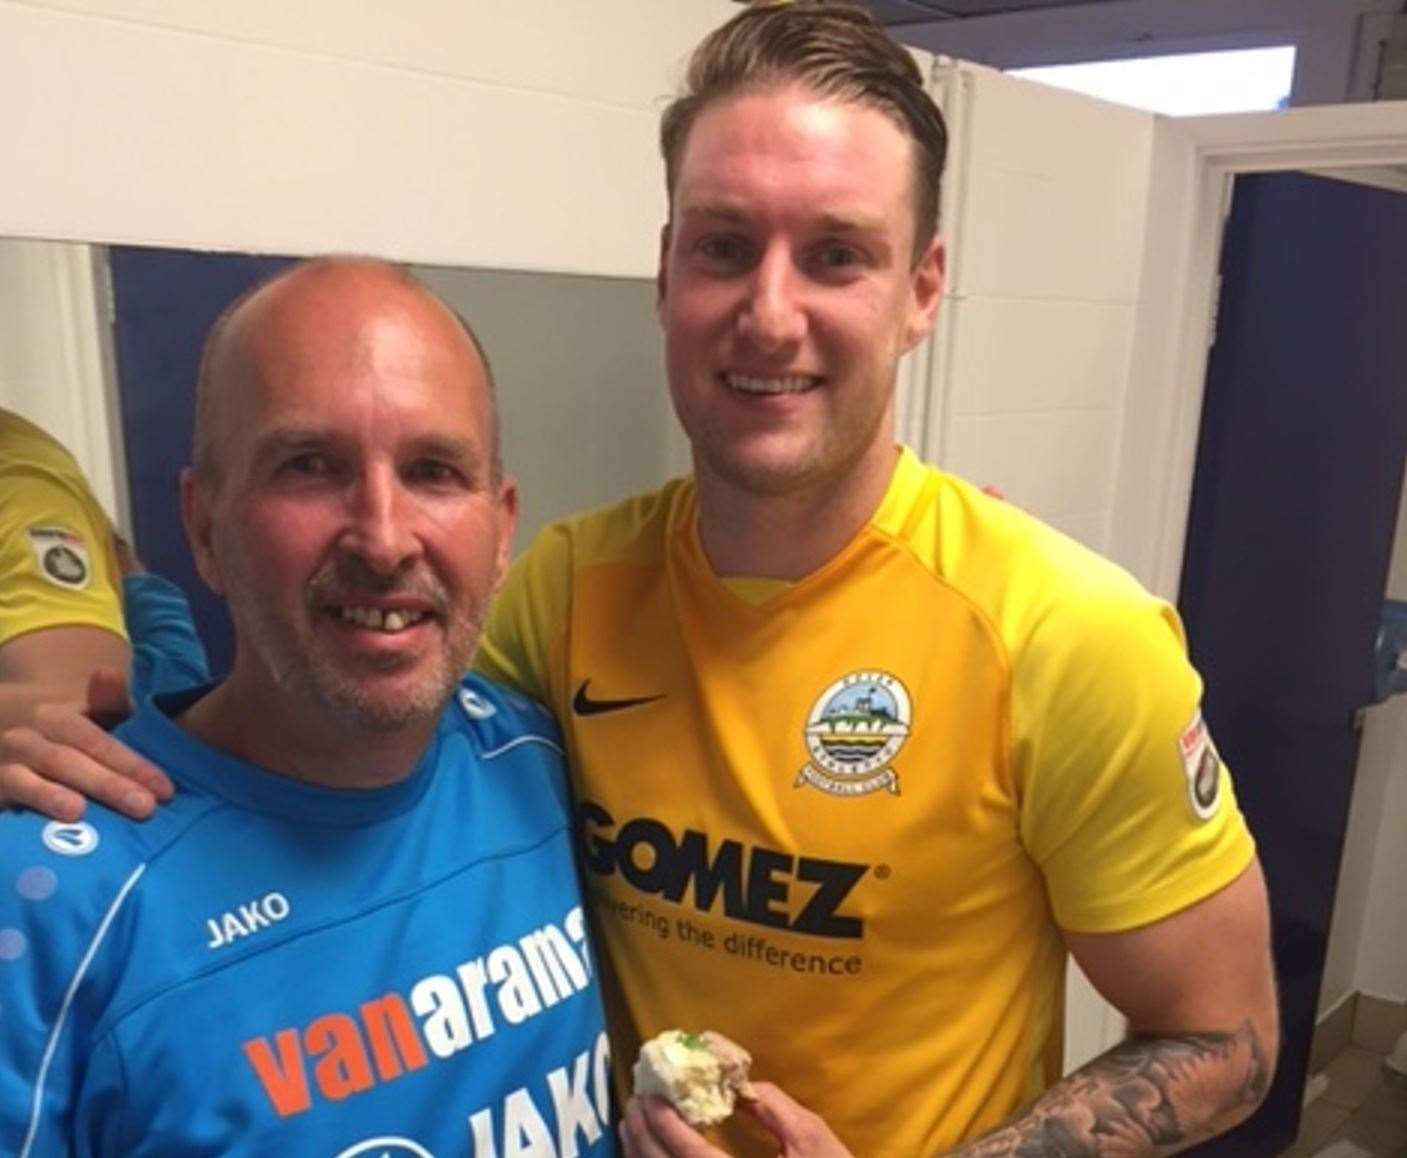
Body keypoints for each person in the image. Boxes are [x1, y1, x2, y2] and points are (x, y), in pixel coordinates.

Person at [1, 4, 1278, 1156]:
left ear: (921, 290)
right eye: (727, 247)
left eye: (837, 255)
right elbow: (334, 692)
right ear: (668, 270)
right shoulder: (562, 593)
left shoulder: (1064, 631)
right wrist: (37, 729)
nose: (770, 315)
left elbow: (1231, 1041)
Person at [0, 259, 614, 1155]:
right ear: (205, 527)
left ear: (501, 529)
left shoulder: (540, 761)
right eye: (310, 467)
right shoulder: (55, 903)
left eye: (434, 470)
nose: (382, 535)